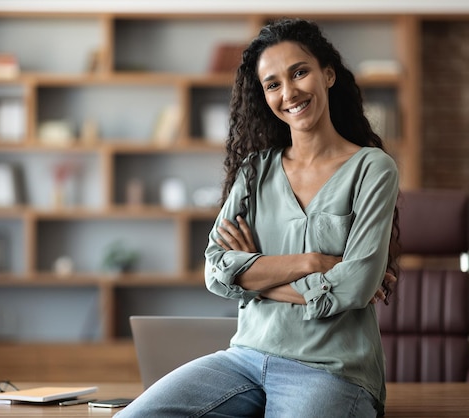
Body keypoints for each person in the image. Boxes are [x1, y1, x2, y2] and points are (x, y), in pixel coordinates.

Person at [117, 17, 399, 418]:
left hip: (332, 371)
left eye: (300, 72)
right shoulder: (254, 171)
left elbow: (355, 286)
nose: (289, 92)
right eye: (273, 84)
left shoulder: (373, 168)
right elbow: (215, 272)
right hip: (245, 360)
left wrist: (254, 279)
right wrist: (311, 264)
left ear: (328, 74)